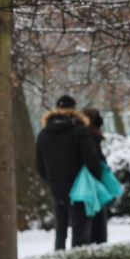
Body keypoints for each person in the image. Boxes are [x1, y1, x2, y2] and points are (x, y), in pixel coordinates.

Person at [36, 94, 102, 250]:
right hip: (79, 187)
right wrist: (96, 178)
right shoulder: (79, 131)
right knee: (80, 230)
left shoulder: (43, 134)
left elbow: (39, 165)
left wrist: (52, 180)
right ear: (74, 109)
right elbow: (91, 159)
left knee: (60, 230)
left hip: (56, 188)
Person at [80, 107, 110, 244]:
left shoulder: (83, 134)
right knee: (97, 220)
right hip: (92, 183)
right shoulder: (89, 136)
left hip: (86, 182)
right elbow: (95, 159)